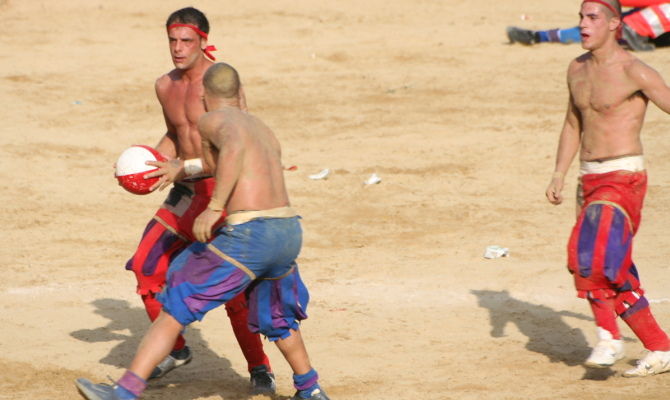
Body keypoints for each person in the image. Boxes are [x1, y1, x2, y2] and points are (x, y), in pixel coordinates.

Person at [76, 62, 330, 400]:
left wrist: (214, 207)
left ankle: (124, 393)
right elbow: (219, 161)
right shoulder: (260, 127)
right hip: (287, 231)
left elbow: (233, 154)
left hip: (250, 235)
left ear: (204, 96)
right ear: (240, 94)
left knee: (175, 303)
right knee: (277, 315)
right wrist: (179, 168)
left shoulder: (211, 119)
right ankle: (311, 390)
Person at [122, 7, 274, 393]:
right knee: (145, 265)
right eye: (172, 40)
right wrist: (148, 164)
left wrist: (182, 168)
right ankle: (174, 349)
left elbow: (235, 149)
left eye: (186, 41)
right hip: (184, 195)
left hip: (221, 197)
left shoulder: (221, 83)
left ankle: (259, 367)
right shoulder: (164, 85)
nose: (177, 48)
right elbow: (175, 133)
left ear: (203, 41)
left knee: (235, 293)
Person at [545, 0, 670, 377]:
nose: (582, 25)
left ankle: (608, 337)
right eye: (581, 17)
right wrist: (559, 173)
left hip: (623, 178)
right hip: (589, 178)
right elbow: (572, 124)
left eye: (592, 18)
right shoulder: (576, 69)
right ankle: (660, 347)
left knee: (590, 255)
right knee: (614, 269)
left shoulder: (635, 71)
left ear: (615, 24)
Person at [507, 0, 670, 51]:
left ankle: (537, 37)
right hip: (638, 30)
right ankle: (537, 36)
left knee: (594, 27)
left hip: (633, 31)